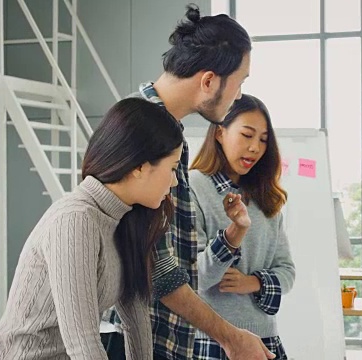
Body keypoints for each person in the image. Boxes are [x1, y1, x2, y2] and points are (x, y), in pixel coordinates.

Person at [101, 4, 275, 360]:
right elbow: (157, 267)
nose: (239, 95)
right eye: (240, 82)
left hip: (162, 339)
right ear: (209, 80)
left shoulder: (167, 131)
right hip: (137, 343)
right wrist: (231, 337)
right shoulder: (139, 129)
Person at [0, 97, 184, 359]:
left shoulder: (125, 220)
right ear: (140, 167)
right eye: (172, 168)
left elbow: (136, 322)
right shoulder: (75, 220)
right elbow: (83, 345)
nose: (174, 181)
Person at [188, 94, 295, 359]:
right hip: (212, 341)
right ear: (220, 133)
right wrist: (234, 234)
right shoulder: (193, 187)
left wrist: (252, 282)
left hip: (264, 339)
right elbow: (196, 278)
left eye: (263, 140)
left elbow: (287, 271)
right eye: (247, 135)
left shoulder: (266, 197)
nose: (255, 148)